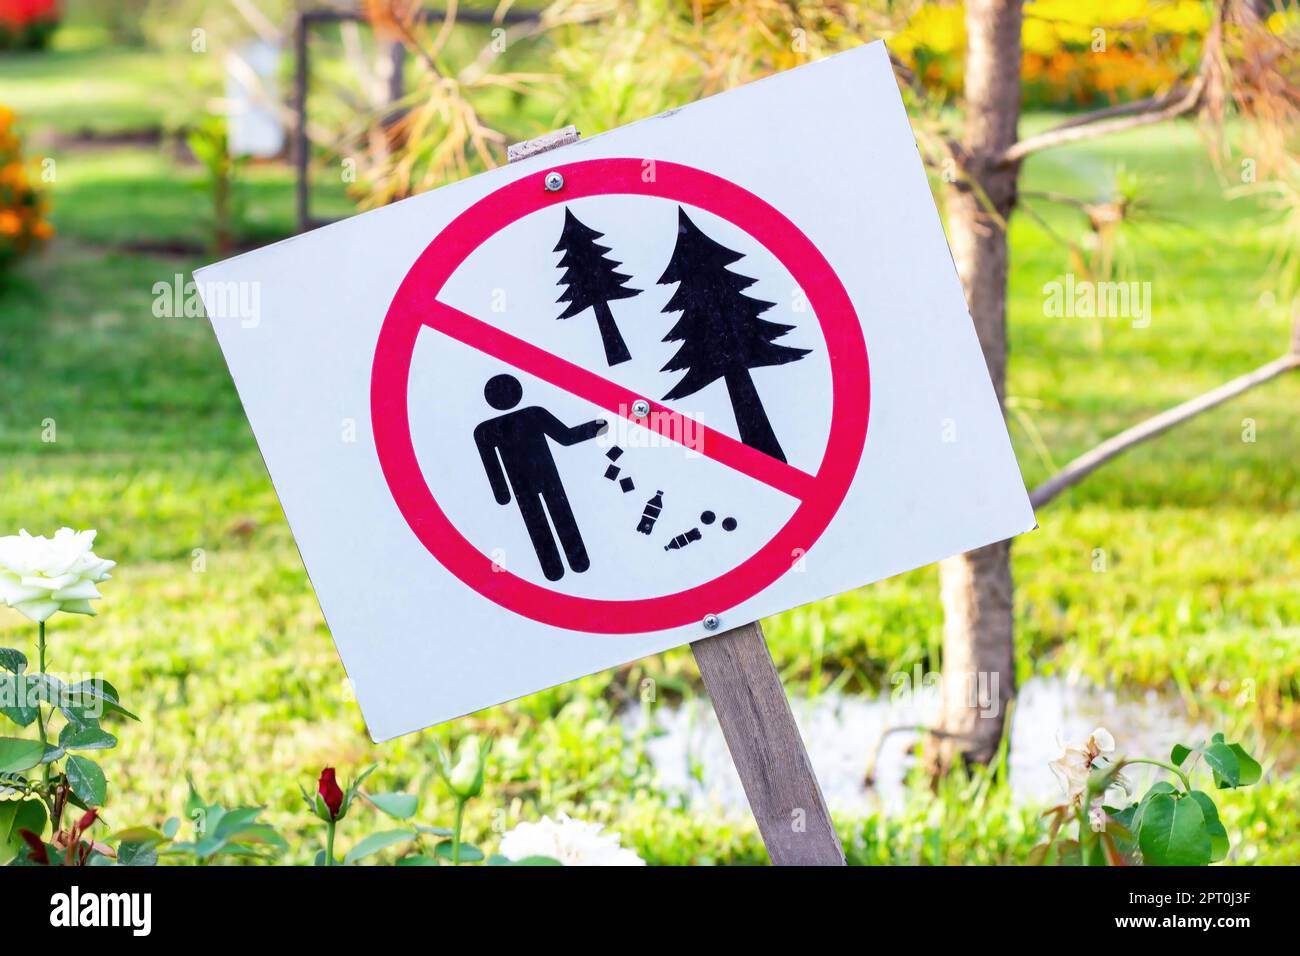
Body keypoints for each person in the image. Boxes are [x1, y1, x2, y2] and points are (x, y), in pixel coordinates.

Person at [473, 373, 606, 581]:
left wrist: (503, 494)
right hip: (544, 477)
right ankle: (573, 563)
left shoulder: (486, 430)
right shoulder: (531, 415)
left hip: (525, 484)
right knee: (557, 518)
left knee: (539, 524)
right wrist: (597, 427)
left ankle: (557, 568)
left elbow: (493, 467)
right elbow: (567, 437)